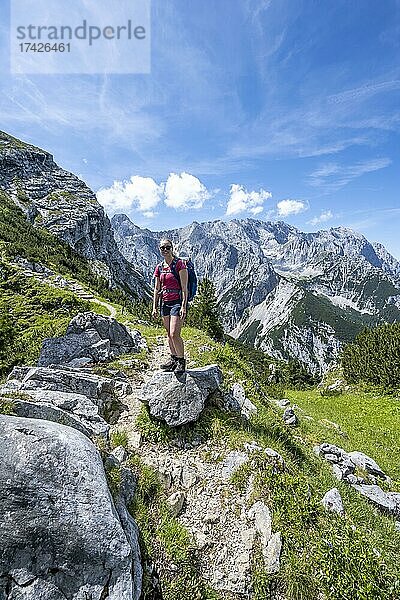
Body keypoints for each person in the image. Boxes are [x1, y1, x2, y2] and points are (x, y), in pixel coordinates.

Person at [152, 238, 188, 375]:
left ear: (172, 248)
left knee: (174, 334)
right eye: (163, 248)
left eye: (168, 247)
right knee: (168, 334)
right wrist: (154, 307)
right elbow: (156, 288)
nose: (165, 250)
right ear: (159, 249)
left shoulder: (180, 264)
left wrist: (183, 306)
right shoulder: (159, 267)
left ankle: (181, 360)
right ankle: (173, 358)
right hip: (164, 303)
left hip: (177, 302)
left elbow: (184, 288)